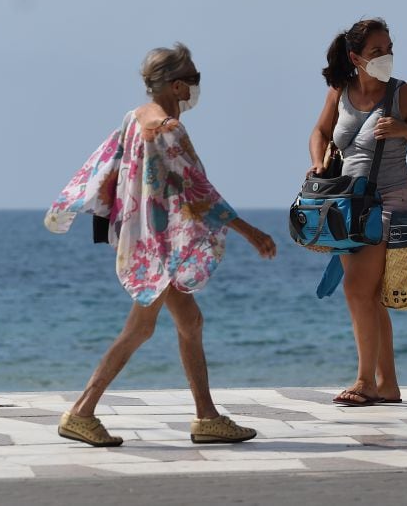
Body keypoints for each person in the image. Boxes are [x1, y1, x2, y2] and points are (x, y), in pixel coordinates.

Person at [45, 43, 277, 446]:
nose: (196, 87)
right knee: (139, 330)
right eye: (194, 79)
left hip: (145, 239)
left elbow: (106, 168)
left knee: (189, 323)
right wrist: (251, 232)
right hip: (159, 247)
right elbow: (199, 191)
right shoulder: (168, 129)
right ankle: (82, 412)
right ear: (175, 84)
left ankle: (206, 417)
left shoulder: (135, 118)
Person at [308, 18, 407, 406]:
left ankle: (365, 381)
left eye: (389, 49)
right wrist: (319, 163)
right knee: (368, 295)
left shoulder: (406, 96)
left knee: (356, 290)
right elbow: (319, 132)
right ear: (355, 58)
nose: (386, 56)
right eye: (376, 51)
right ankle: (387, 385)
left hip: (390, 200)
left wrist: (404, 130)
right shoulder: (340, 92)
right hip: (347, 203)